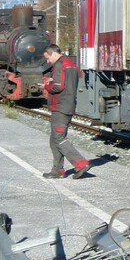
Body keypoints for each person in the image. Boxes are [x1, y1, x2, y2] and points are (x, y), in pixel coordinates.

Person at [42, 43, 90, 179]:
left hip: (60, 106)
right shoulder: (71, 64)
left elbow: (58, 87)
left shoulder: (59, 65)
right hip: (68, 105)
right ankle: (57, 170)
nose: (47, 61)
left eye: (48, 58)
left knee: (58, 138)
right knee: (54, 140)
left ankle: (81, 163)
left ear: (54, 54)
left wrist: (46, 85)